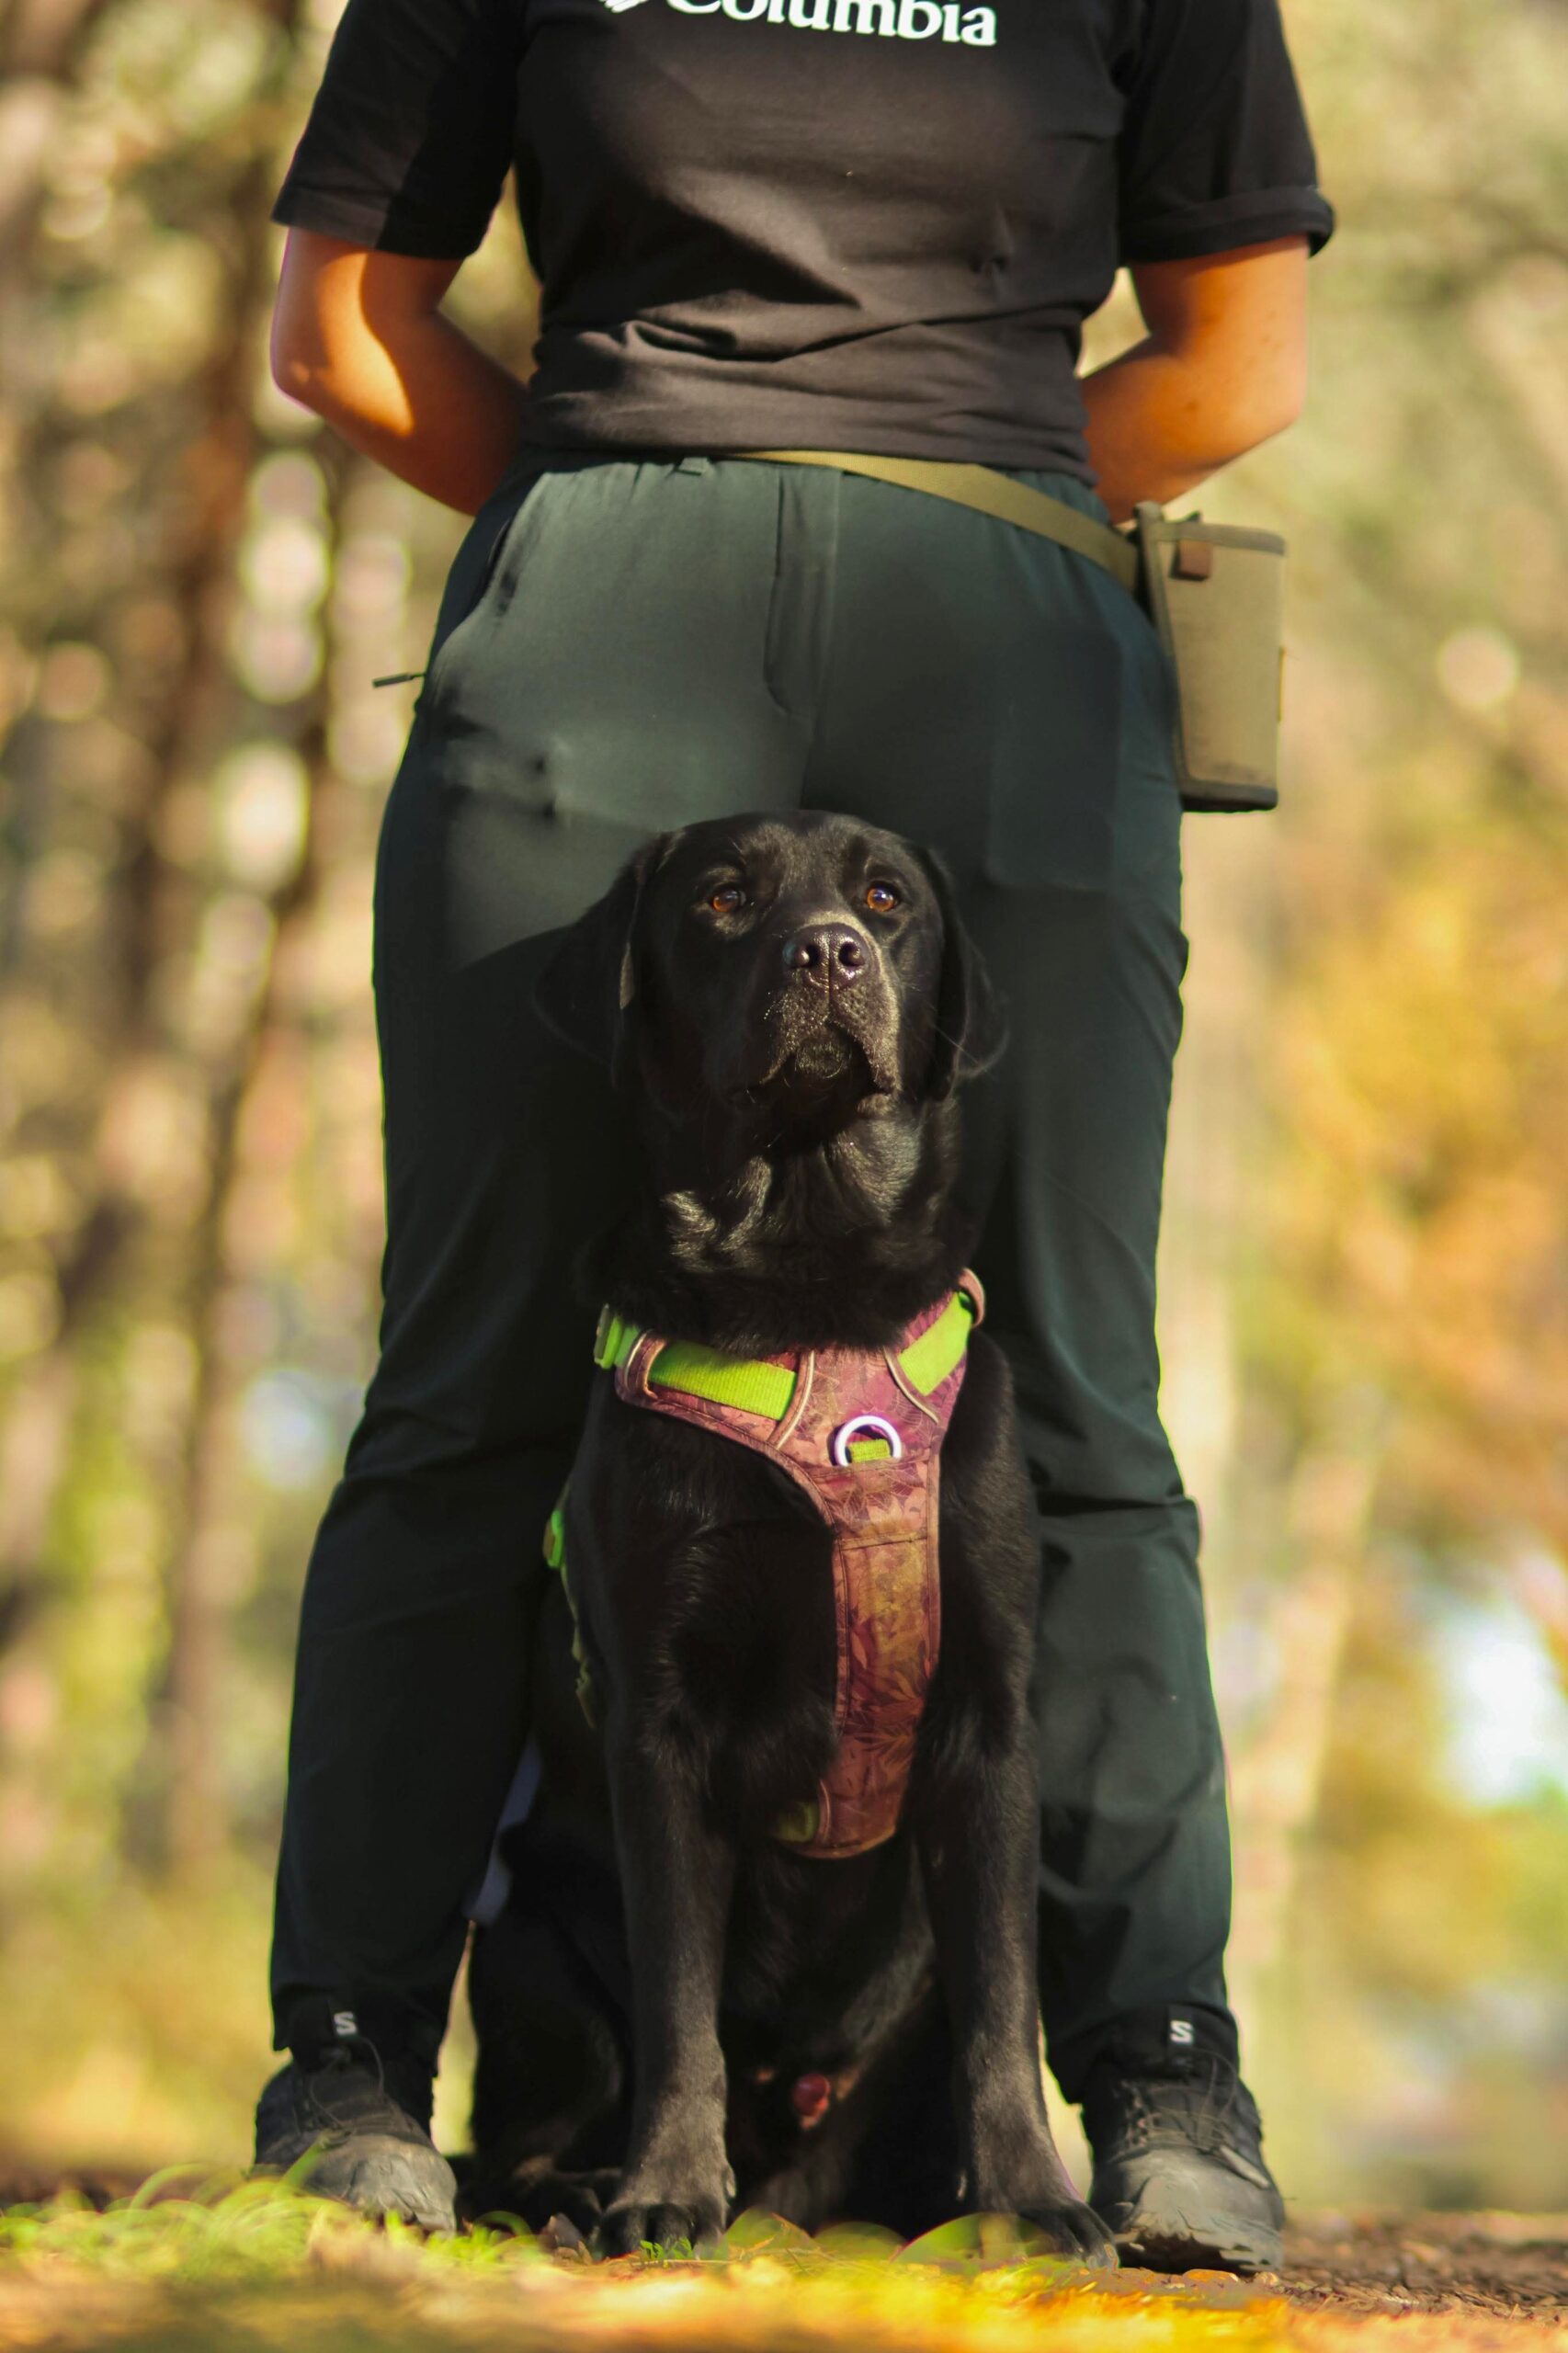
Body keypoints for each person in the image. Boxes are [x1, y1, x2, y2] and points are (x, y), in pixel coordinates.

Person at [256, 0, 1334, 2270]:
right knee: (472, 1368)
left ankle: (1154, 2079)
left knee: (1065, 1369)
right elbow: (346, 323)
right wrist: (619, 525)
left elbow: (1236, 362)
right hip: (600, 614)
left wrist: (966, 507)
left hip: (1004, 606)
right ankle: (352, 2061)